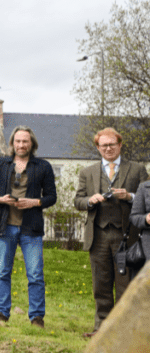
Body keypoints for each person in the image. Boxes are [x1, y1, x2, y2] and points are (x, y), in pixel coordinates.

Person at [74, 128, 148, 337]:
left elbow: (148, 199)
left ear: (120, 145)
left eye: (112, 144)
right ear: (98, 148)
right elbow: (77, 200)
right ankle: (101, 329)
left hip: (128, 236)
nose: (108, 148)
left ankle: (124, 332)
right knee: (101, 283)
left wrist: (130, 196)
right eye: (103, 145)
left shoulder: (137, 169)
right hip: (97, 236)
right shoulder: (87, 172)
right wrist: (90, 200)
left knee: (126, 284)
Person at [0, 126, 57, 328]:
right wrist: (0, 199)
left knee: (35, 274)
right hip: (4, 226)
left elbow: (52, 197)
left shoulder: (43, 166)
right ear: (12, 143)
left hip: (30, 228)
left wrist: (35, 202)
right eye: (18, 141)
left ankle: (36, 317)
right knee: (2, 272)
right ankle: (2, 313)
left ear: (31, 143)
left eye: (25, 141)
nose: (21, 145)